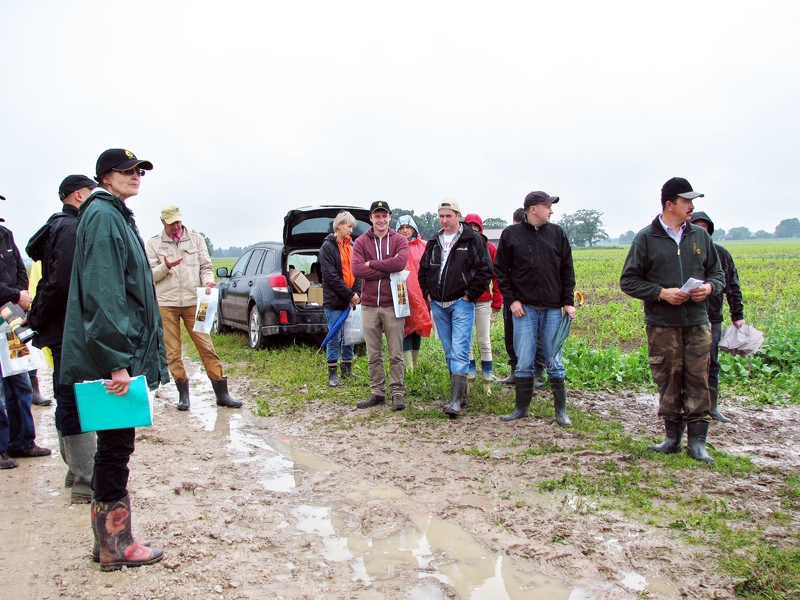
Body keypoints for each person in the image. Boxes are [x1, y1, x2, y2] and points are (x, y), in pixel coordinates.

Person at [61, 148, 167, 570]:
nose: (135, 176)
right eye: (126, 171)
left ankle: (107, 539)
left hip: (114, 355)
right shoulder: (105, 217)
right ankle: (116, 545)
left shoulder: (113, 214)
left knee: (114, 446)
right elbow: (103, 296)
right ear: (105, 177)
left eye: (139, 170)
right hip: (112, 361)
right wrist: (117, 362)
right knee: (115, 449)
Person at [620, 177, 725, 464]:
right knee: (667, 378)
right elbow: (628, 281)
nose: (691, 207)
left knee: (697, 378)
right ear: (670, 204)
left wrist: (709, 288)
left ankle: (698, 442)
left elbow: (718, 273)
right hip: (662, 324)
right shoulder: (645, 238)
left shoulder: (701, 237)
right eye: (686, 201)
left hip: (697, 321)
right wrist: (661, 293)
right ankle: (671, 438)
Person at [26, 174, 98, 502]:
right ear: (79, 195)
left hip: (60, 329)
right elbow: (60, 283)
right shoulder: (71, 229)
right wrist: (38, 318)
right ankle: (85, 480)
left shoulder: (57, 226)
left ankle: (76, 472)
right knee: (76, 398)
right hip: (69, 329)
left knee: (67, 394)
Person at [146, 206, 242, 410]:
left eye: (178, 221)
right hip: (166, 303)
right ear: (163, 222)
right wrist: (167, 266)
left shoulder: (196, 239)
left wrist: (208, 281)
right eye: (171, 222)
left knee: (206, 347)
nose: (176, 225)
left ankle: (222, 394)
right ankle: (184, 396)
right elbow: (151, 275)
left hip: (194, 301)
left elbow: (206, 267)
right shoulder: (153, 244)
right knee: (172, 352)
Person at [494, 191, 576, 427]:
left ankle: (561, 412)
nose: (551, 210)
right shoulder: (511, 234)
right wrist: (512, 300)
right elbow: (501, 271)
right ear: (533, 209)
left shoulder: (557, 234)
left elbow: (567, 269)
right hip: (524, 309)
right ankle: (521, 409)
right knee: (524, 360)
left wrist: (568, 302)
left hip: (552, 308)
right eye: (547, 206)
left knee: (554, 359)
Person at [418, 200, 493, 417]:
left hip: (461, 302)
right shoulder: (433, 241)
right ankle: (461, 394)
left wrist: (471, 294)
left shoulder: (473, 240)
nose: (444, 220)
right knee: (449, 350)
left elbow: (485, 270)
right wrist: (427, 293)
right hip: (438, 304)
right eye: (441, 216)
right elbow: (423, 270)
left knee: (460, 348)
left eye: (448, 216)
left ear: (458, 216)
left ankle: (455, 403)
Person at [0, 195, 51, 460]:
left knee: (19, 379)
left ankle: (22, 442)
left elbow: (20, 270)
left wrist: (18, 295)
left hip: (10, 323)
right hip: (6, 308)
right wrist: (11, 295)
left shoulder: (6, 235)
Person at [352, 201, 409, 410]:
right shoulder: (360, 242)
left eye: (384, 215)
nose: (381, 219)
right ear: (371, 218)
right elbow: (357, 269)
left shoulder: (399, 240)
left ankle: (397, 394)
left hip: (393, 305)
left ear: (390, 217)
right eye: (377, 216)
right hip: (368, 305)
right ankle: (377, 393)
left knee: (396, 353)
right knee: (373, 354)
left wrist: (373, 264)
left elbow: (400, 263)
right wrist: (387, 267)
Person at [690, 211, 745, 423]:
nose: (702, 232)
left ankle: (713, 407)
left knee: (712, 362)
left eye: (705, 228)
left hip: (713, 317)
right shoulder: (684, 254)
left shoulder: (721, 254)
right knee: (688, 364)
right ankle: (688, 407)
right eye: (697, 227)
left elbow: (732, 285)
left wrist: (737, 315)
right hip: (689, 317)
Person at [318, 210, 361, 386]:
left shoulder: (351, 247)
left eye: (352, 227)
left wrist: (357, 293)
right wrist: (350, 294)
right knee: (334, 336)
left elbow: (357, 272)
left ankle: (347, 368)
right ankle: (332, 373)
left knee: (351, 336)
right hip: (335, 301)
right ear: (339, 225)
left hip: (350, 301)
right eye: (349, 226)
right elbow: (331, 276)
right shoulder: (327, 248)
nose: (351, 230)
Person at [463, 214, 503, 394]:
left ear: (481, 228)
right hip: (464, 301)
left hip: (483, 301)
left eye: (475, 226)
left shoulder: (489, 248)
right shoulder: (462, 247)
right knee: (467, 342)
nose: (473, 230)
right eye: (469, 226)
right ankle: (470, 378)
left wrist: (497, 300)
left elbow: (496, 277)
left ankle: (487, 380)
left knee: (484, 341)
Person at [395, 215, 432, 371]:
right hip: (401, 293)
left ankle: (414, 365)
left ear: (414, 229)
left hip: (421, 293)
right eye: (402, 228)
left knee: (418, 326)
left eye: (408, 228)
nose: (405, 231)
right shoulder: (394, 247)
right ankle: (408, 366)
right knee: (405, 328)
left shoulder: (424, 246)